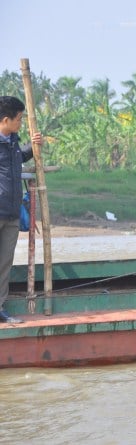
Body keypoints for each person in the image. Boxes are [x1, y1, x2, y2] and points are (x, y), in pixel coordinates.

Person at [0, 96, 43, 324]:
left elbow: (19, 158)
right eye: (18, 119)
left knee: (4, 262)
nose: (21, 123)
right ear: (6, 120)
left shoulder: (13, 142)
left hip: (12, 213)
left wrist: (33, 145)